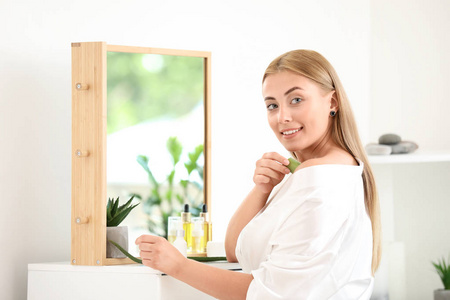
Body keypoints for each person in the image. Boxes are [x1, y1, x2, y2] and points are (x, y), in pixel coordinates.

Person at [135, 49, 382, 300]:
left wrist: (178, 266)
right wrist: (261, 190)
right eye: (272, 105)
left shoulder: (318, 178)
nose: (282, 117)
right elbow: (235, 252)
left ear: (332, 102)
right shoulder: (328, 171)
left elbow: (270, 294)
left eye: (296, 99)